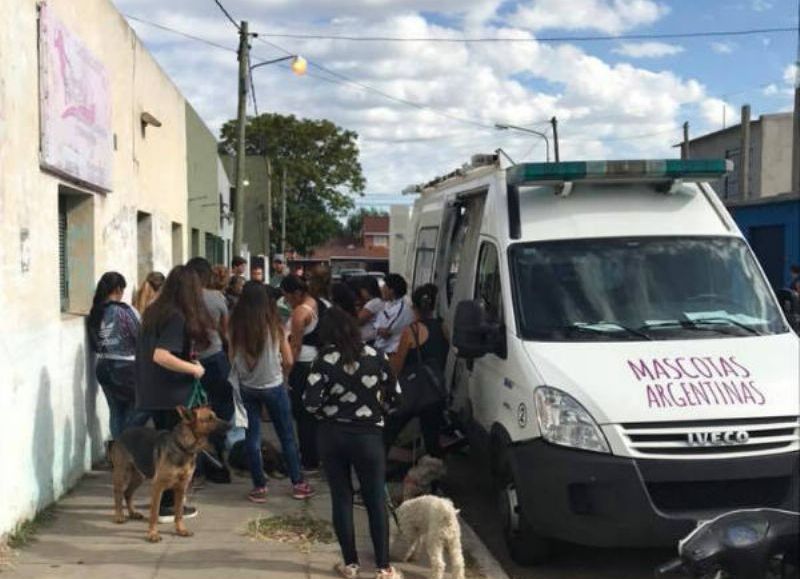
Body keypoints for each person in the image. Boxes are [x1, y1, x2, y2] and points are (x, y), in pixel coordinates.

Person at [303, 307, 403, 579]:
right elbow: (396, 396)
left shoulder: (322, 360)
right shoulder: (377, 357)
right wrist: (376, 412)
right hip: (369, 437)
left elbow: (310, 403)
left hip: (332, 436)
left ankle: (350, 564)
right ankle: (384, 567)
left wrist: (330, 412)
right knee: (374, 500)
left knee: (342, 497)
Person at [135, 265, 211, 522]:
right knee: (175, 452)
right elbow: (161, 355)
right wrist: (194, 369)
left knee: (163, 450)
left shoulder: (153, 311)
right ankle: (168, 505)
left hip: (154, 392)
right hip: (172, 395)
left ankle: (164, 502)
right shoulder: (176, 317)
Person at [228, 281, 315, 502]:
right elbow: (287, 358)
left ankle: (259, 487)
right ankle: (298, 484)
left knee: (252, 438)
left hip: (247, 388)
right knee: (286, 435)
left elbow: (231, 357)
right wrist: (283, 376)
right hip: (274, 385)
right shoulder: (274, 325)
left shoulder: (235, 325)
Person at [385, 284, 449, 459]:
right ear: (433, 306)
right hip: (435, 391)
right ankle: (433, 478)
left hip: (412, 393)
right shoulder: (443, 327)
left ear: (413, 307)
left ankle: (377, 474)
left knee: (387, 432)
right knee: (432, 441)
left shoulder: (411, 331)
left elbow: (396, 367)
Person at [186, 257, 234, 480]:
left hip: (188, 361)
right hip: (214, 358)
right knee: (221, 409)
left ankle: (193, 460)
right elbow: (225, 332)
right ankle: (217, 458)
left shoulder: (183, 299)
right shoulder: (216, 298)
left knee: (191, 412)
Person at [87, 272, 149, 439]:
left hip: (102, 367)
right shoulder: (125, 311)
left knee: (115, 412)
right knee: (143, 407)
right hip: (126, 368)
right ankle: (124, 445)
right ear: (118, 289)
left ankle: (116, 453)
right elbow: (141, 338)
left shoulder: (95, 312)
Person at [280, 274, 325, 472]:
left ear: (296, 293)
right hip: (315, 360)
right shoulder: (316, 303)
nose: (287, 301)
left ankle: (309, 459)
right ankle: (313, 454)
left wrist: (286, 371)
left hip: (302, 364)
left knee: (302, 412)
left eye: (287, 297)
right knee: (311, 411)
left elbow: (295, 346)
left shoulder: (300, 312)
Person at [374, 274, 414, 355]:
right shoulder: (387, 304)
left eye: (384, 287)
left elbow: (385, 333)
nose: (381, 289)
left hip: (391, 352)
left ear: (391, 290)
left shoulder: (401, 309)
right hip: (380, 348)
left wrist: (376, 329)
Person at [357, 276, 384, 345]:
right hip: (372, 338)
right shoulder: (379, 301)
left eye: (362, 290)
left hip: (369, 340)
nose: (361, 293)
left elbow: (359, 320)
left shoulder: (373, 303)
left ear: (367, 289)